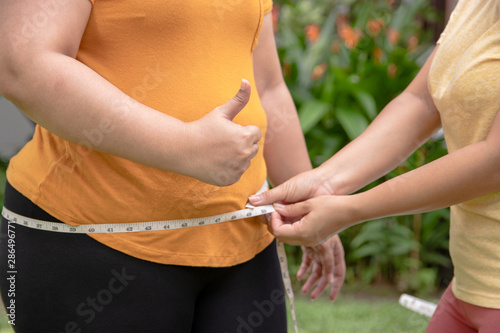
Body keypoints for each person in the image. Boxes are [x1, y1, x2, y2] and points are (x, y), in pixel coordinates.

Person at [0, 0, 345, 332]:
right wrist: (186, 147)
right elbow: (23, 64)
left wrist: (307, 198)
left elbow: (267, 85)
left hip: (244, 241)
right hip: (92, 239)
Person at [249, 0, 500, 332]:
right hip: (471, 285)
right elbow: (422, 102)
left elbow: (493, 162)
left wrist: (349, 210)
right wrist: (326, 182)